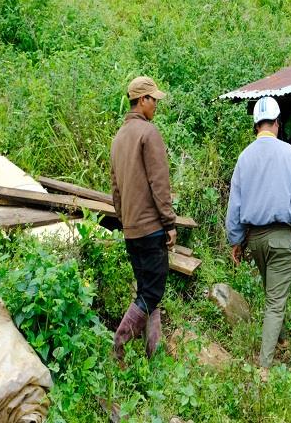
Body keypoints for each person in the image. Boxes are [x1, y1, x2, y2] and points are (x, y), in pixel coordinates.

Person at [225, 96, 291, 380]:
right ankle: (264, 368)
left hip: (254, 240)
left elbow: (235, 205)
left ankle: (280, 338)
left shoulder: (244, 157)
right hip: (279, 238)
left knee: (273, 293)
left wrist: (236, 241)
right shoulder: (289, 153)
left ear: (256, 126)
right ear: (277, 123)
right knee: (275, 302)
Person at [110, 76, 178, 365]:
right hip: (151, 227)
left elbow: (115, 190)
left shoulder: (118, 138)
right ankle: (120, 342)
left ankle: (154, 352)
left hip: (131, 230)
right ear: (141, 101)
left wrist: (126, 221)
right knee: (153, 290)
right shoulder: (148, 134)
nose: (156, 105)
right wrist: (170, 223)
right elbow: (159, 183)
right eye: (153, 99)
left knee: (147, 292)